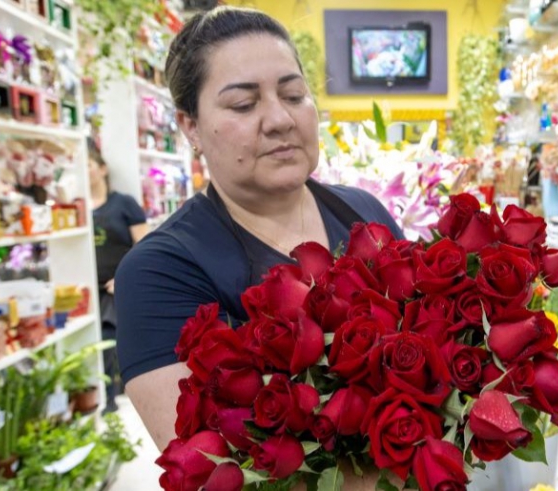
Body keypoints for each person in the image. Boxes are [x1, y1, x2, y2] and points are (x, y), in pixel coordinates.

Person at [113, 6, 404, 485]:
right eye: (244, 105)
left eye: (293, 95)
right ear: (190, 127)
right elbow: (215, 473)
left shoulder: (363, 212)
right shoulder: (158, 272)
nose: (280, 119)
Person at [89, 138, 149, 413]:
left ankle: (111, 399)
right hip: (89, 288)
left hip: (115, 287)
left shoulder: (123, 203)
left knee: (110, 338)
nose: (85, 171)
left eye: (90, 165)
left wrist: (124, 279)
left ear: (102, 169)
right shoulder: (77, 208)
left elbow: (144, 245)